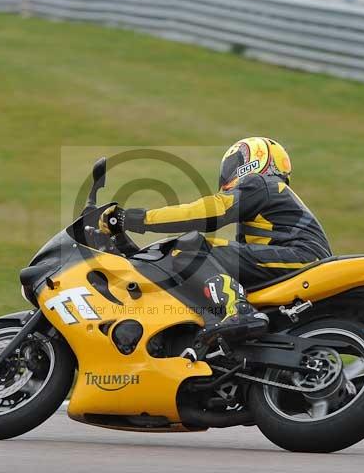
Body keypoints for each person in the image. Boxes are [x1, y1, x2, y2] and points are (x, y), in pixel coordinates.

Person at [100, 137, 332, 355]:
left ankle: (239, 312)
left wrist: (132, 218)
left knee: (191, 246)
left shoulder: (260, 183)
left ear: (257, 160)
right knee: (198, 267)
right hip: (294, 260)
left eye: (235, 163)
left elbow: (211, 213)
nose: (228, 172)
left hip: (302, 257)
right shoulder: (264, 208)